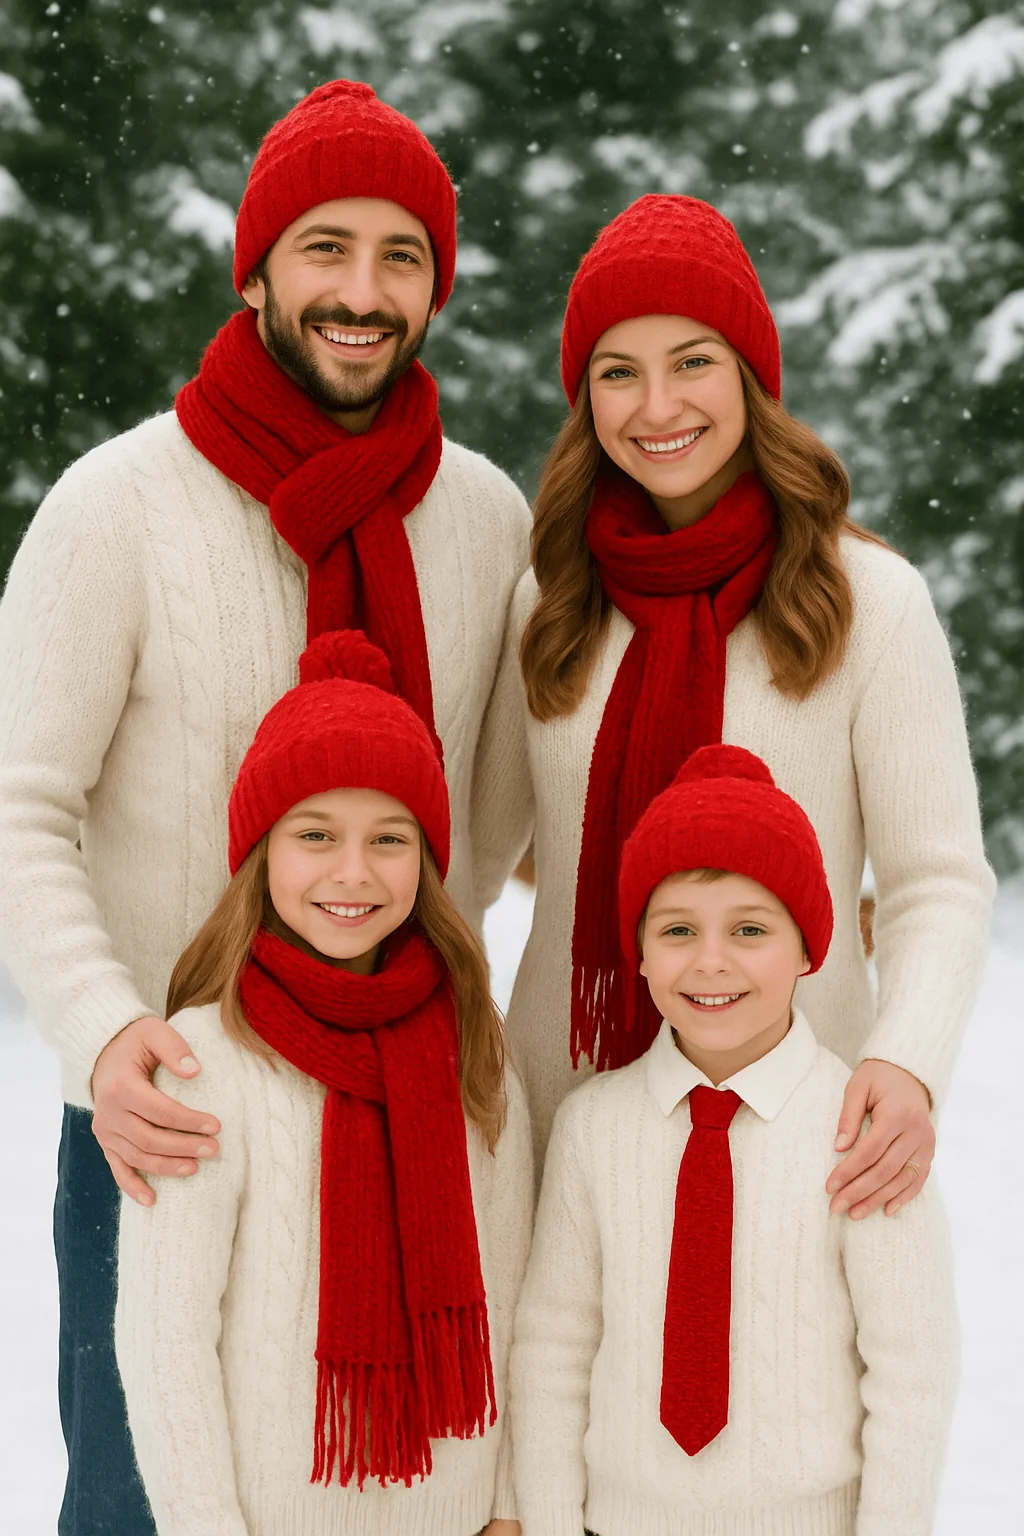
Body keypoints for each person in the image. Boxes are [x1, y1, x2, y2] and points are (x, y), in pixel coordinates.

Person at [0, 81, 530, 1534]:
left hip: (419, 1117)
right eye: (324, 249)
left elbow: (513, 812)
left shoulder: (483, 519)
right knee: (138, 1506)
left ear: (438, 286)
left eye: (401, 256)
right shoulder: (119, 507)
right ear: (255, 269)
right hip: (161, 1130)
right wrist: (112, 1037)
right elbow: (18, 804)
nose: (362, 293)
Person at [473, 194, 994, 1205]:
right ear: (585, 400)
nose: (657, 406)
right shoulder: (550, 597)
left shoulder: (867, 601)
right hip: (557, 1121)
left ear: (753, 377)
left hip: (795, 1125)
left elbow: (936, 881)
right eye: (618, 372)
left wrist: (908, 1061)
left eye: (693, 361)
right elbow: (466, 864)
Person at [115, 628, 532, 1536]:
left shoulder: (474, 1046)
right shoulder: (203, 1059)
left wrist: (507, 1505)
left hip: (457, 1514)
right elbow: (165, 1339)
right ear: (262, 850)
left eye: (390, 837)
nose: (354, 872)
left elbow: (514, 1290)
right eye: (315, 834)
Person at [511, 744, 958, 1536]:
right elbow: (553, 1350)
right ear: (640, 955)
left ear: (810, 948)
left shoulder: (862, 1130)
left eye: (750, 929)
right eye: (678, 929)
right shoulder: (593, 1129)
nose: (710, 961)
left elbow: (911, 1372)